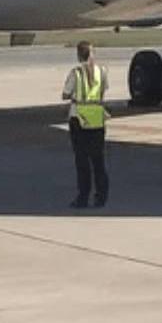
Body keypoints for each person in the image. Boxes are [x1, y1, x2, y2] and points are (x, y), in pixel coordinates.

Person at [61, 41, 109, 208]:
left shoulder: (76, 73)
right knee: (98, 160)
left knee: (82, 161)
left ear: (78, 55)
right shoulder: (101, 71)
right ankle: (101, 197)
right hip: (97, 118)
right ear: (92, 54)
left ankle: (83, 197)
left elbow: (65, 94)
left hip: (78, 118)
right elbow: (103, 91)